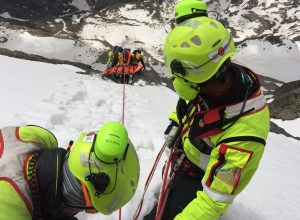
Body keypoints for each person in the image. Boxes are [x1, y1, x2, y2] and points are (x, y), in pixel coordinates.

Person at [144, 16, 270, 220]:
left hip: (200, 178)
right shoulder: (213, 80)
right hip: (186, 159)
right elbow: (190, 106)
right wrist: (176, 123)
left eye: (181, 77)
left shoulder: (245, 137)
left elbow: (214, 200)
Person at [0, 122, 139, 219]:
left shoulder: (38, 138)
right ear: (84, 194)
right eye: (90, 209)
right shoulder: (9, 208)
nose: (83, 211)